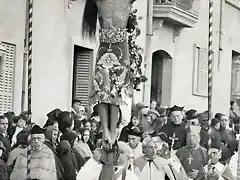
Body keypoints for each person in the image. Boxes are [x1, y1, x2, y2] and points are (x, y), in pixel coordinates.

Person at [82, 0, 139, 150]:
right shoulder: (98, 1)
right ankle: (105, 129)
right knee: (101, 88)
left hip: (121, 45)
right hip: (104, 45)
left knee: (116, 91)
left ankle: (112, 130)